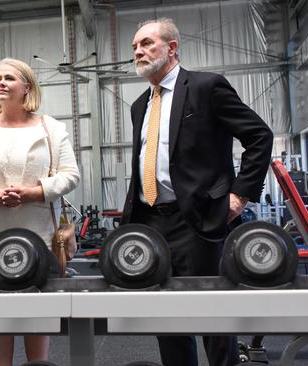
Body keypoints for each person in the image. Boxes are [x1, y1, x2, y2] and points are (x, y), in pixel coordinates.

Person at [120, 18, 273, 366]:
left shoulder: (207, 87)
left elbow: (258, 136)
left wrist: (239, 196)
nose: (138, 52)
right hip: (150, 223)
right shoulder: (139, 105)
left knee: (212, 316)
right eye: (134, 48)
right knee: (166, 318)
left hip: (198, 220)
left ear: (172, 47)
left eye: (146, 43)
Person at [0, 58, 80, 366]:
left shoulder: (52, 127)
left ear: (27, 87)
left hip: (38, 232)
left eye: (9, 78)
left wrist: (35, 193)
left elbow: (71, 174)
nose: (1, 83)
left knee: (36, 314)